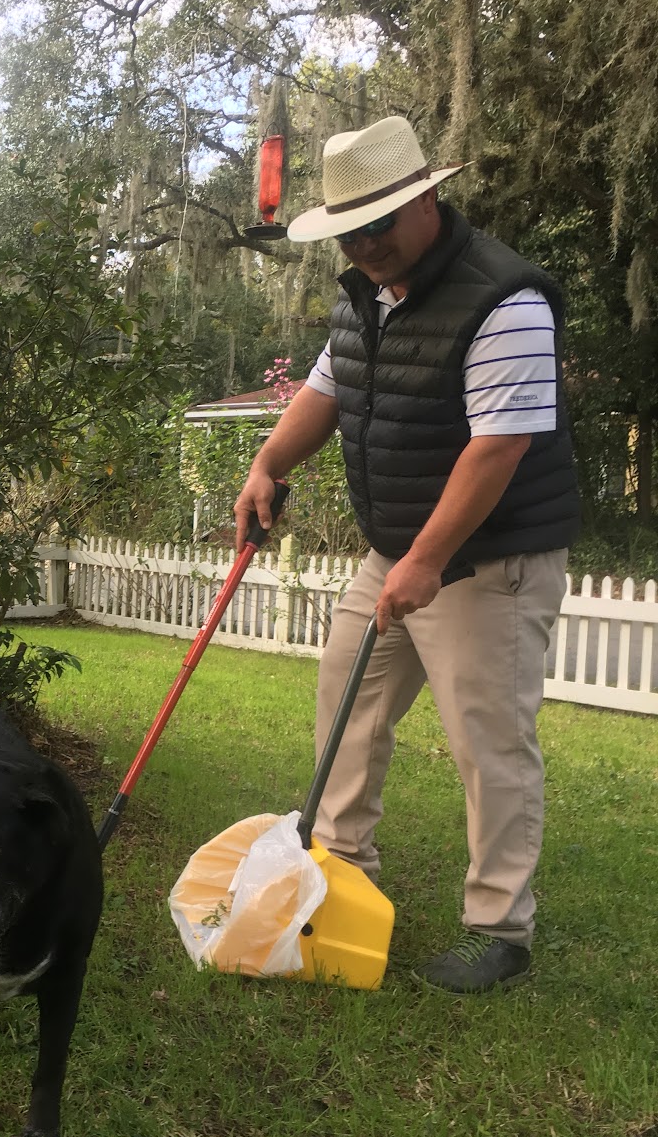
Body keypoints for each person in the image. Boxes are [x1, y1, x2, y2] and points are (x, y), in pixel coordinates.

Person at [234, 115, 579, 994]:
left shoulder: (505, 298)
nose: (365, 245)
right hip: (397, 551)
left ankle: (500, 928)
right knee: (347, 706)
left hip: (489, 563)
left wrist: (425, 561)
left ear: (426, 199)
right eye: (349, 232)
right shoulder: (368, 297)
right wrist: (268, 464)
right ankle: (340, 873)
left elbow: (498, 447)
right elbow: (326, 390)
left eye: (379, 224)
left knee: (489, 744)